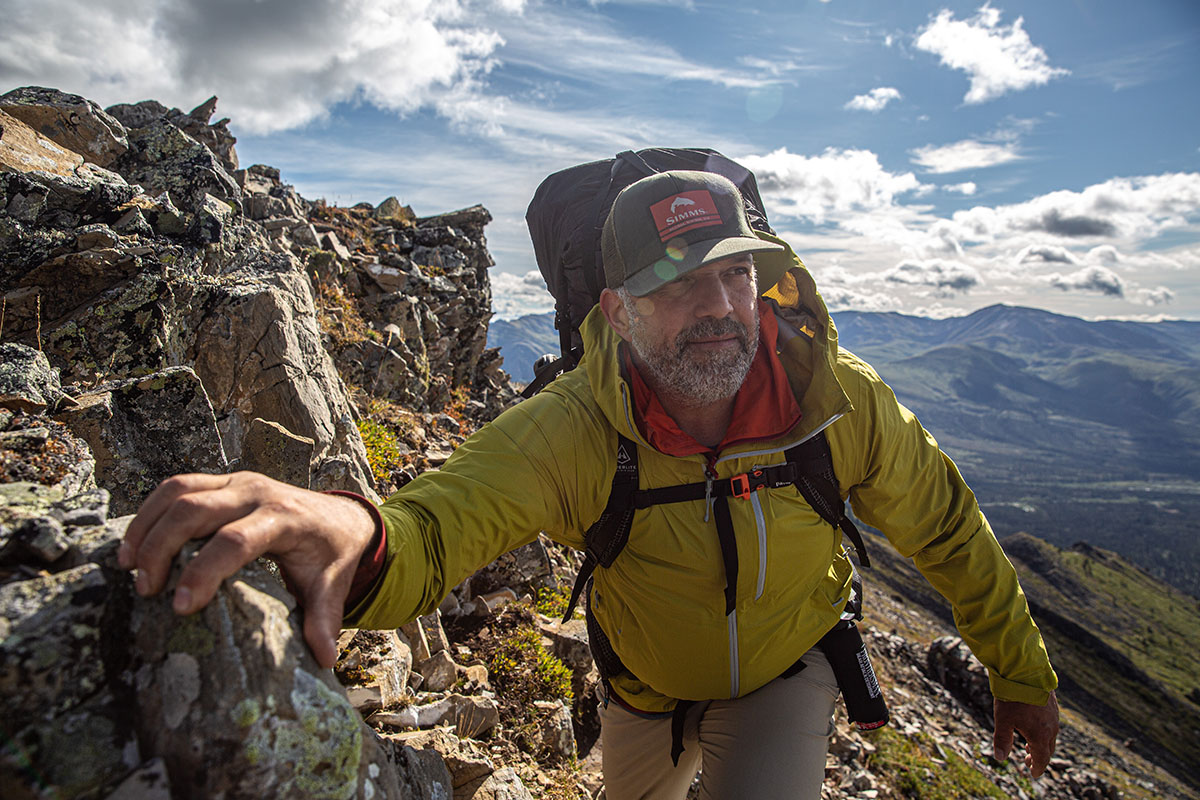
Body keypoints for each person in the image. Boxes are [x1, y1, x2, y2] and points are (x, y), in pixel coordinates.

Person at [121, 170, 1059, 799]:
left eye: (735, 275)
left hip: (787, 671)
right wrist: (350, 532)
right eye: (681, 285)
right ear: (617, 311)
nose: (721, 309)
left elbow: (946, 529)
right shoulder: (574, 428)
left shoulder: (834, 402)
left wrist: (1020, 671)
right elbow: (440, 528)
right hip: (639, 686)